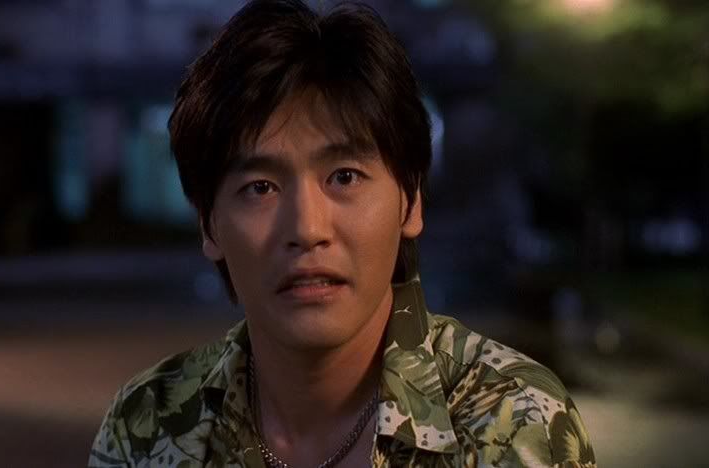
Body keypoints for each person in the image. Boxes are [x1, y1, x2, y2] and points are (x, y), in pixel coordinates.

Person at [89, 1, 597, 466]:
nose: (307, 229)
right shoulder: (148, 425)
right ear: (209, 224)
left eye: (344, 177)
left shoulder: (511, 421)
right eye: (260, 187)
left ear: (410, 200)